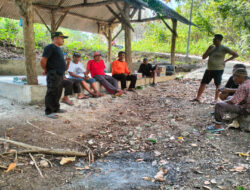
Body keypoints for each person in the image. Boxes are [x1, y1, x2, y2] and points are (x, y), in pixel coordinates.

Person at [191, 34, 238, 104]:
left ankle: (216, 100)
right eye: (213, 39)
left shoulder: (224, 48)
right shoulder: (211, 47)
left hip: (218, 69)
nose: (213, 40)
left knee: (217, 85)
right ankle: (197, 98)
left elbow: (236, 55)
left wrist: (225, 61)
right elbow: (204, 57)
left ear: (219, 40)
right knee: (203, 83)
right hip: (209, 69)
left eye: (215, 39)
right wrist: (208, 50)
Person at [207, 68, 249, 133]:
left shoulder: (243, 86)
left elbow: (233, 101)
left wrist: (222, 102)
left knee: (219, 105)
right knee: (229, 97)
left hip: (246, 109)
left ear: (240, 77)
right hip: (246, 104)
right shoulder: (247, 82)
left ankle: (217, 126)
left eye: (234, 77)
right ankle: (220, 113)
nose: (233, 79)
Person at [40, 31, 68, 119]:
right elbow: (43, 60)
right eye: (62, 38)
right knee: (51, 91)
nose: (63, 40)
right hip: (53, 73)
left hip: (59, 74)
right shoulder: (50, 47)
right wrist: (45, 69)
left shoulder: (59, 49)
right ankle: (49, 111)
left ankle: (56, 108)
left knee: (58, 92)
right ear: (55, 38)